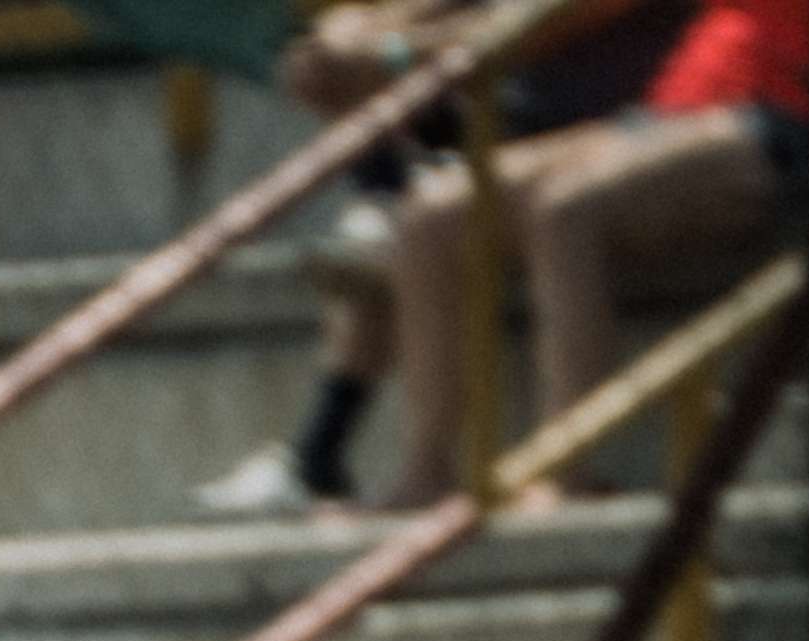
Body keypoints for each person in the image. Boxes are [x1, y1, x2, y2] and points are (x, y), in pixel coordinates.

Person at [194, 0, 680, 515]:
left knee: (441, 214)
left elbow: (536, 24)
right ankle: (351, 461)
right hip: (505, 110)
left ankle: (565, 468)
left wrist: (395, 53)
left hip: (618, 126)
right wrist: (364, 34)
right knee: (348, 56)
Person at [375, 0, 809, 511]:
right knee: (431, 214)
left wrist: (398, 48)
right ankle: (427, 473)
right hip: (661, 119)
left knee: (565, 209)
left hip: (777, 124)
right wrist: (387, 30)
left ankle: (567, 469)